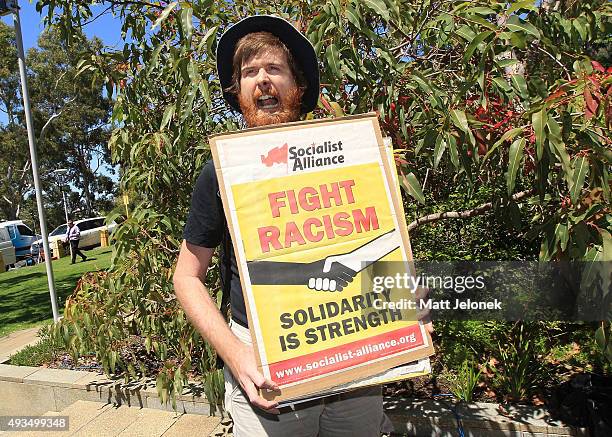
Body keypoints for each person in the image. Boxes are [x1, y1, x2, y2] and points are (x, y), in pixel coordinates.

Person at [174, 15, 429, 436]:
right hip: (266, 366)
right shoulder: (219, 172)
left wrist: (403, 305)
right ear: (237, 93)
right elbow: (186, 277)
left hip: (355, 359)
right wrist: (238, 357)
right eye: (249, 73)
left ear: (299, 86)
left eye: (274, 69)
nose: (262, 81)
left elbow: (373, 238)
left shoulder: (349, 157)